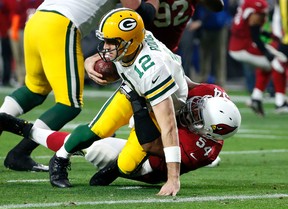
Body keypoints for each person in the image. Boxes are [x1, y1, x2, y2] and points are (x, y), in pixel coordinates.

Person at [0, 0, 160, 172]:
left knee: (34, 90)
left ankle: (17, 149)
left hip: (37, 20)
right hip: (60, 24)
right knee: (70, 104)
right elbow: (137, 15)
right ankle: (20, 152)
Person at [0, 83, 241, 190]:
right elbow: (188, 84)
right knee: (92, 137)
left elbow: (151, 142)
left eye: (197, 117)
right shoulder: (213, 94)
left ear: (206, 132)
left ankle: (20, 127)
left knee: (97, 149)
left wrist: (139, 107)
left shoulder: (202, 149)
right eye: (197, 105)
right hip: (157, 136)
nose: (191, 109)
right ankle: (21, 128)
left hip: (149, 165)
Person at [228, 0, 288, 116]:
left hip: (238, 44)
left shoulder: (248, 2)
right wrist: (267, 54)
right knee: (278, 62)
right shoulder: (257, 4)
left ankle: (256, 97)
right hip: (243, 47)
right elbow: (254, 33)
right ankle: (280, 103)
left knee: (268, 66)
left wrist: (269, 35)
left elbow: (252, 30)